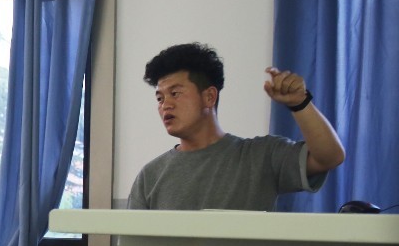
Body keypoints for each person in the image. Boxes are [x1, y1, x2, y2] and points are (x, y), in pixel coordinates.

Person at [129, 43, 346, 210]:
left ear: (209, 97)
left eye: (175, 93)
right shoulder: (150, 176)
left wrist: (300, 104)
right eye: (160, 98)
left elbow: (330, 157)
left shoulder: (260, 156)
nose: (165, 105)